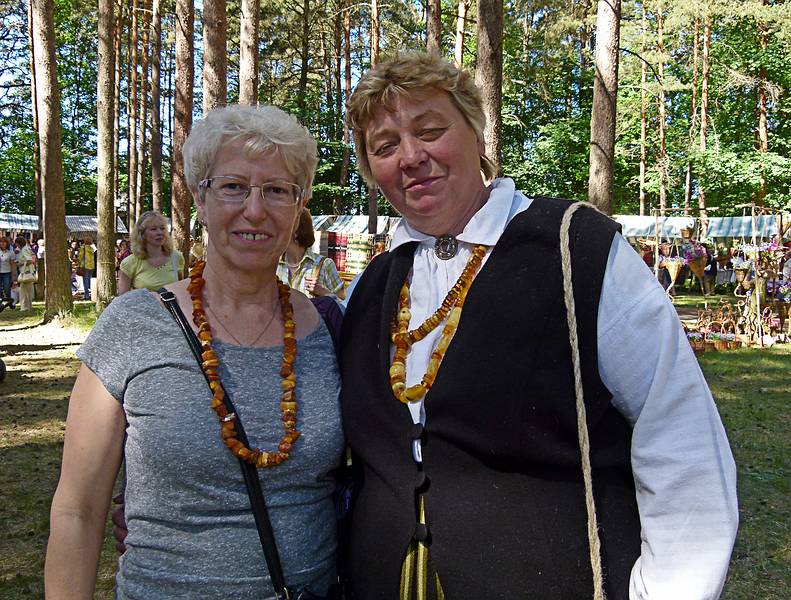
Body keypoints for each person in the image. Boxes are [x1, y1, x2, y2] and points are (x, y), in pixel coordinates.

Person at [340, 52, 737, 599]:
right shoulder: (372, 287)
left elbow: (679, 434)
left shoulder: (578, 249)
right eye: (385, 147)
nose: (411, 156)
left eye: (431, 130)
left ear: (477, 136)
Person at [45, 104, 344, 599]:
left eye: (277, 190)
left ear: (298, 208)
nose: (255, 209)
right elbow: (77, 508)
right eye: (233, 187)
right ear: (201, 201)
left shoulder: (329, 329)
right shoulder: (133, 325)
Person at [278, 208, 345, 300]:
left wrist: (324, 292)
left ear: (296, 232)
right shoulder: (273, 265)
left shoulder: (324, 265)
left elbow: (343, 307)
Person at [117, 211, 185, 293]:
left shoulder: (177, 257)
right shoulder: (129, 263)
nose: (160, 233)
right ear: (142, 234)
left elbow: (181, 291)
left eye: (162, 228)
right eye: (153, 229)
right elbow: (123, 300)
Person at [14, 236, 36, 311]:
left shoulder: (24, 250)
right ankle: (29, 306)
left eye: (17, 244)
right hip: (30, 271)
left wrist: (19, 264)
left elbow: (29, 261)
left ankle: (24, 307)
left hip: (26, 272)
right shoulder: (28, 248)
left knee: (23, 291)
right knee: (28, 291)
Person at [77, 235, 96, 300]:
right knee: (90, 280)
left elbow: (80, 257)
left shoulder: (83, 247)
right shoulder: (92, 248)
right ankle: (92, 293)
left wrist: (79, 263)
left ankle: (87, 295)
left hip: (85, 266)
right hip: (92, 266)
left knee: (85, 281)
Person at [0, 236, 16, 310]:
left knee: (7, 289)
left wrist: (13, 276)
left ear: (7, 243)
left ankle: (10, 303)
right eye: (1, 242)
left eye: (4, 242)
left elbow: (13, 265)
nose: (2, 243)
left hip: (7, 272)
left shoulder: (11, 252)